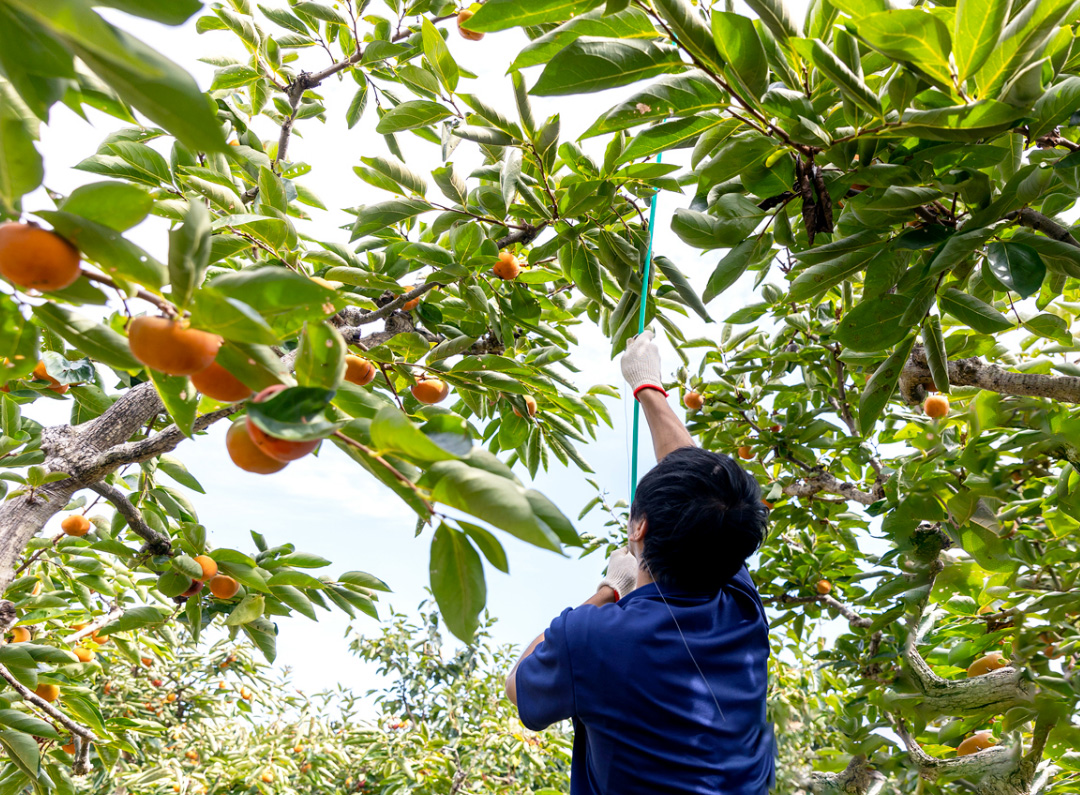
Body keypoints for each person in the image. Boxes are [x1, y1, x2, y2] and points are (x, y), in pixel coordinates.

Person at [505, 331, 776, 794]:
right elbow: (702, 490)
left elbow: (516, 685)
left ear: (639, 529)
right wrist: (649, 387)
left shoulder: (591, 636)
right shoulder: (741, 610)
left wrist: (610, 589)